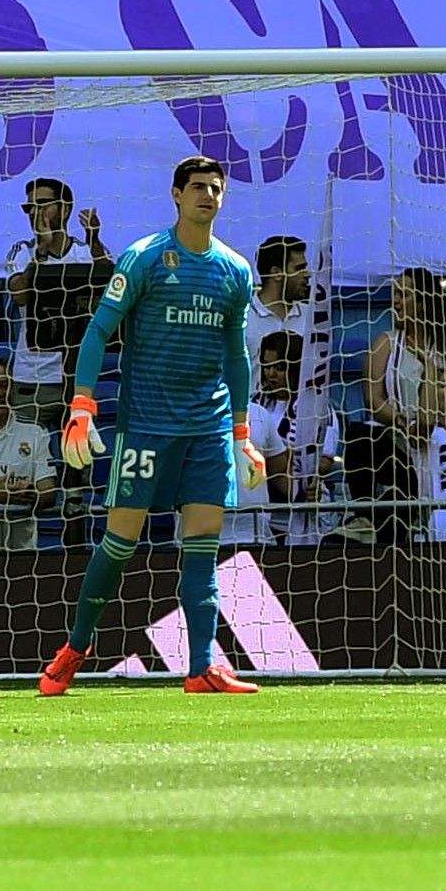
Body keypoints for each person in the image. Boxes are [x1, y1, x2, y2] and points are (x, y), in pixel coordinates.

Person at [40, 155, 263, 695]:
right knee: (121, 542)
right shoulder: (143, 259)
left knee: (204, 541)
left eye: (215, 188)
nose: (207, 195)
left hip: (207, 428)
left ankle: (202, 667)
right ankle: (77, 645)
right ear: (176, 195)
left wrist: (242, 433)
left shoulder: (235, 270)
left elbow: (237, 357)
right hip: (147, 428)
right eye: (197, 188)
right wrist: (82, 406)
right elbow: (97, 334)